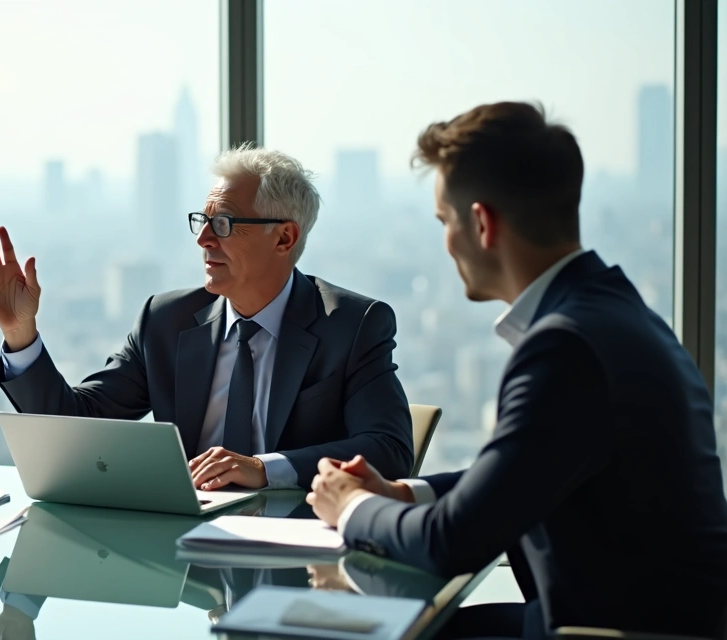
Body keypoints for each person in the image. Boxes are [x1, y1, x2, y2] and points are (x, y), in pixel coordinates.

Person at [306, 102, 727, 638]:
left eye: (444, 221)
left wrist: (353, 505)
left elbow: (449, 542)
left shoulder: (564, 346)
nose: (446, 242)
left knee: (349, 629)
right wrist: (402, 493)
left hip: (601, 629)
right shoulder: (614, 315)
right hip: (638, 621)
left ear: (481, 223)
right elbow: (527, 471)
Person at [0, 145, 414, 491]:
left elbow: (389, 451)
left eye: (223, 224)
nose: (202, 239)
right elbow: (74, 428)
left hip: (298, 555)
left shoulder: (352, 325)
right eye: (202, 220)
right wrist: (20, 334)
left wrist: (263, 469)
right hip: (186, 561)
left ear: (284, 238)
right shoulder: (166, 321)